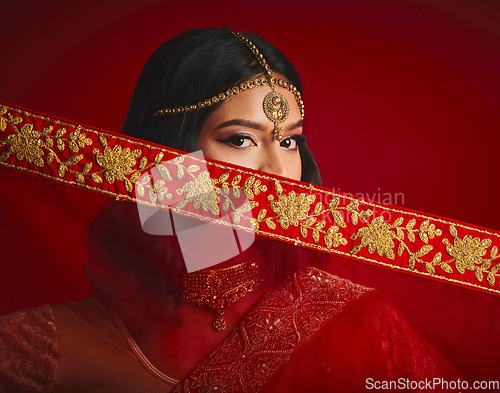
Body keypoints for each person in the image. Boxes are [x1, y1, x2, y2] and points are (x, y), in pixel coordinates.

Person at [0, 27, 473, 392]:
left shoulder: (353, 321)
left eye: (289, 141)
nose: (278, 171)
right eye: (241, 139)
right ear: (167, 153)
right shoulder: (48, 345)